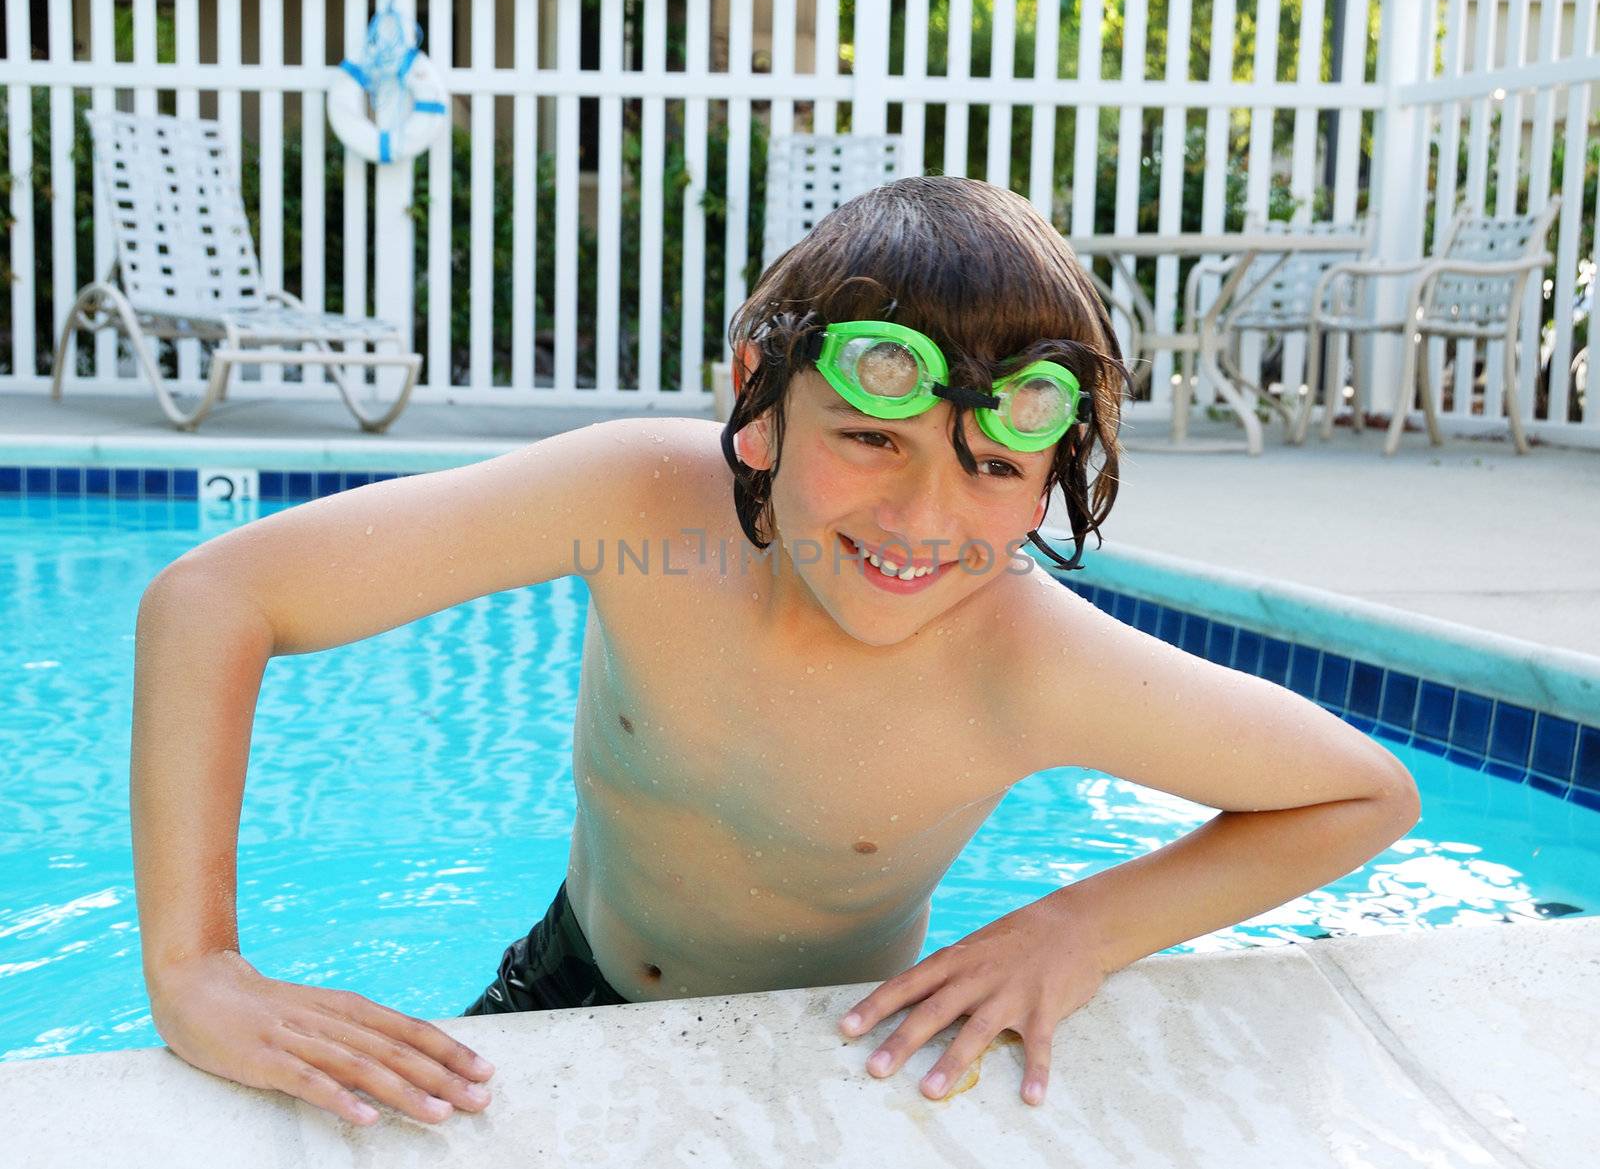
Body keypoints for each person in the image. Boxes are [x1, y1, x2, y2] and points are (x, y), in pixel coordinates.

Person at [130, 176, 1420, 1128]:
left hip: (829, 1048)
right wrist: (198, 969)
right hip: (560, 990)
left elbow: (1364, 791)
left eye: (993, 469)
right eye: (872, 441)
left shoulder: (1027, 661)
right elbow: (212, 600)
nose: (922, 522)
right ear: (759, 399)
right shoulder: (638, 507)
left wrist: (1077, 930)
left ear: (1044, 487)